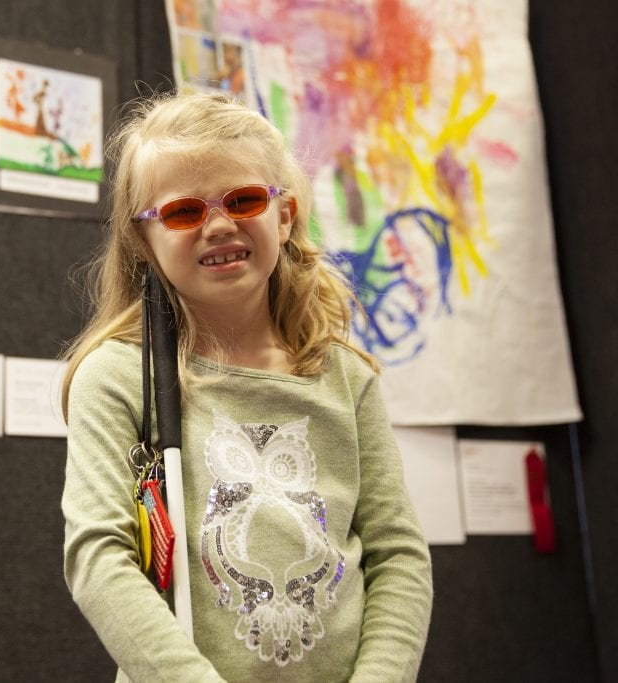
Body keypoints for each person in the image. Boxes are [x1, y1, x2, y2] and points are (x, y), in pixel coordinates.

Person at [60, 93, 432, 682]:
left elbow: (398, 556)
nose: (219, 225)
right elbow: (98, 559)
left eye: (245, 199)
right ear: (143, 241)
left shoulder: (346, 378)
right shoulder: (115, 376)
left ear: (283, 216)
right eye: (183, 211)